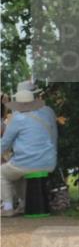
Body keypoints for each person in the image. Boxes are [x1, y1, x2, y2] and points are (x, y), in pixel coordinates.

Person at [1, 82, 58, 217]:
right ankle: (24, 205)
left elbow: (4, 143)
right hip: (49, 161)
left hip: (28, 162)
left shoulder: (17, 118)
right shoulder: (46, 112)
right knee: (17, 174)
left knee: (2, 174)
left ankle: (8, 208)